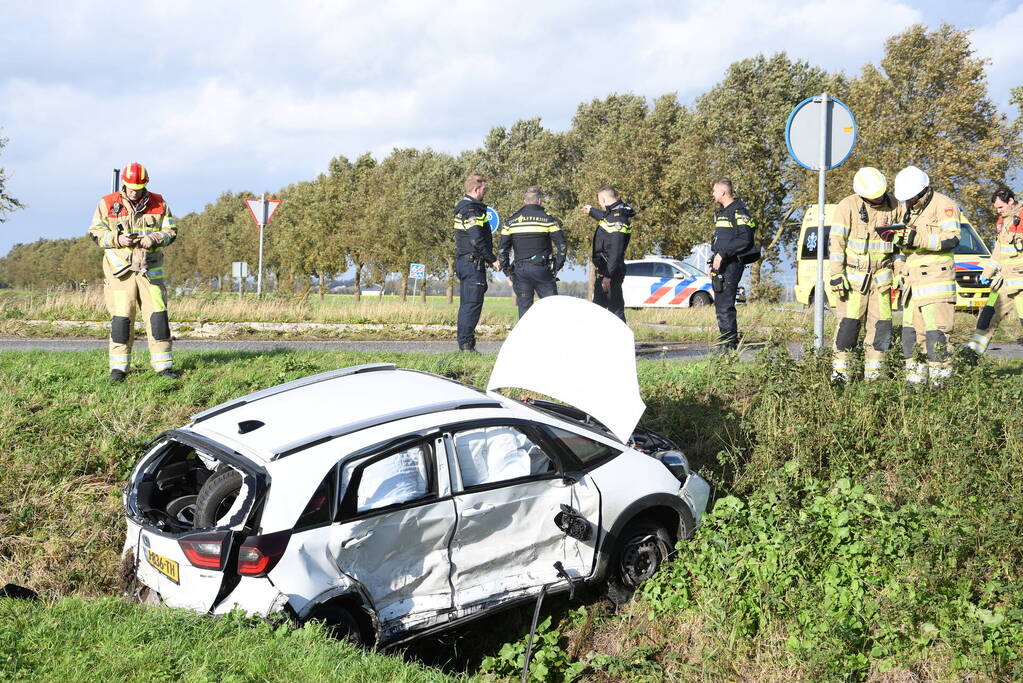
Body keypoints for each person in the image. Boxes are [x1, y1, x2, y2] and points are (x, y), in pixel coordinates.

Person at [87, 162, 178, 382]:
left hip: (150, 270)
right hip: (120, 272)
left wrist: (154, 238)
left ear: (146, 183)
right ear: (124, 184)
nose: (134, 191)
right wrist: (117, 239)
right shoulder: (107, 203)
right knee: (122, 319)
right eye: (130, 187)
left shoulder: (159, 202)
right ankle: (118, 369)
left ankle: (163, 367)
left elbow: (171, 230)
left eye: (138, 187)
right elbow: (95, 231)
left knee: (158, 318)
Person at [888, 165, 960, 389]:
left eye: (910, 199)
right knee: (910, 336)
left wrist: (918, 239)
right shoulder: (908, 209)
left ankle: (940, 387)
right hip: (911, 284)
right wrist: (899, 267)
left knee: (936, 335)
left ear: (923, 191)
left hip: (936, 280)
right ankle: (915, 385)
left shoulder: (944, 205)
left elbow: (952, 239)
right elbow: (901, 247)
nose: (907, 204)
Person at [828, 168, 900, 381]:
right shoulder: (847, 206)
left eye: (879, 193)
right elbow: (836, 244)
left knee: (880, 329)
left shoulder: (896, 206)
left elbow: (900, 246)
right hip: (853, 282)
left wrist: (901, 272)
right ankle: (841, 376)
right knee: (847, 330)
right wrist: (836, 274)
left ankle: (874, 378)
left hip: (882, 282)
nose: (877, 198)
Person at [964, 186, 1023, 357]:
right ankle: (972, 356)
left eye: (1001, 207)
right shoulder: (1002, 222)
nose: (999, 211)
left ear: (1011, 202)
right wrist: (986, 274)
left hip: (1020, 285)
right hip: (1003, 283)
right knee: (987, 317)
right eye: (996, 208)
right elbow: (998, 251)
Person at [498, 186, 567, 318]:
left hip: (521, 271)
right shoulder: (548, 219)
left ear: (524, 201)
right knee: (552, 309)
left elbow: (502, 250)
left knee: (525, 312)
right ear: (539, 201)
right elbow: (562, 245)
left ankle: (525, 338)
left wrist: (507, 272)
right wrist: (557, 266)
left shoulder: (511, 221)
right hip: (542, 269)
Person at [453, 173, 500, 353]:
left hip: (467, 263)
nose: (485, 193)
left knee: (467, 305)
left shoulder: (466, 208)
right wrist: (492, 259)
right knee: (472, 305)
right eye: (484, 189)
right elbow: (477, 239)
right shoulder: (471, 210)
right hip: (473, 264)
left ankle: (466, 344)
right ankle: (466, 347)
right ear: (476, 189)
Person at [710, 178, 756, 349]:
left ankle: (729, 345)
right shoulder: (722, 212)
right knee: (720, 305)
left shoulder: (739, 211)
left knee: (725, 306)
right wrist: (713, 263)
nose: (713, 194)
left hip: (731, 265)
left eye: (714, 191)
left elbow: (745, 239)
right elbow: (721, 241)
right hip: (721, 265)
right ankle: (725, 341)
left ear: (723, 192)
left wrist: (723, 254)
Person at [581, 185, 635, 322]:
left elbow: (616, 251)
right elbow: (604, 217)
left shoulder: (618, 219)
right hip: (604, 270)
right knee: (598, 310)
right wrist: (591, 210)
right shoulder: (614, 213)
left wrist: (608, 276)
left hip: (611, 272)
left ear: (604, 199)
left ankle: (622, 342)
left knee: (615, 310)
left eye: (599, 201)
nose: (600, 204)